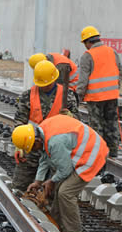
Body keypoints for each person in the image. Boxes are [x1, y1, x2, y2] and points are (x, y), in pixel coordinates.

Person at [12, 114, 109, 232]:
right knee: (58, 188)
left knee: (65, 193)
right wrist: (38, 181)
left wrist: (51, 181)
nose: (33, 151)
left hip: (91, 156)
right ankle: (57, 227)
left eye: (32, 148)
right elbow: (45, 158)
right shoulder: (42, 131)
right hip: (81, 152)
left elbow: (65, 170)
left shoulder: (54, 142)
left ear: (36, 141)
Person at [12, 60, 79, 192]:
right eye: (42, 84)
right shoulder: (27, 96)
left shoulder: (67, 96)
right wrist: (19, 146)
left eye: (47, 84)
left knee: (51, 190)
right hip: (32, 147)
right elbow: (19, 122)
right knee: (19, 186)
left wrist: (71, 117)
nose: (44, 87)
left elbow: (78, 123)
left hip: (56, 151)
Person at [76, 26, 122, 157]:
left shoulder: (87, 56)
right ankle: (113, 152)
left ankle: (99, 155)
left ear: (87, 42)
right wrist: (114, 88)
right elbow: (120, 72)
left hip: (95, 97)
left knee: (96, 127)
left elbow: (83, 80)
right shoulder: (112, 51)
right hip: (112, 96)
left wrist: (78, 98)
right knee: (111, 124)